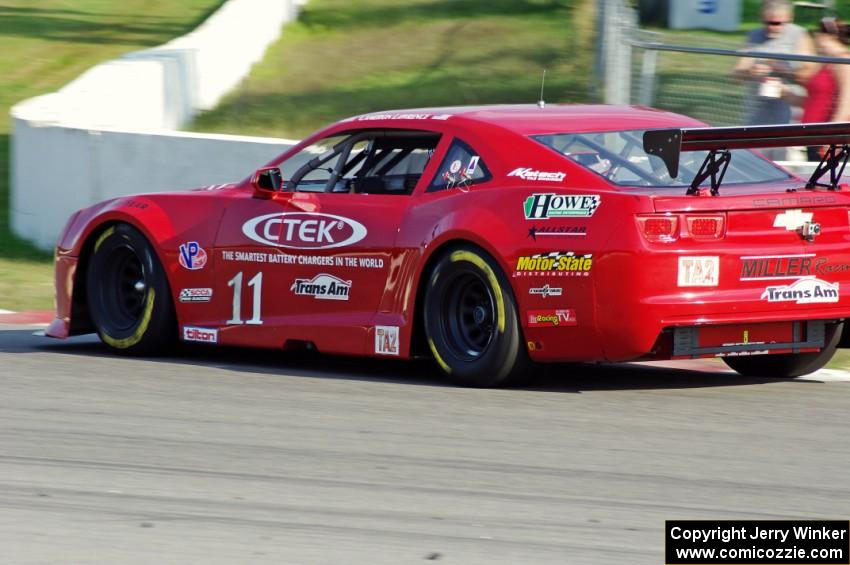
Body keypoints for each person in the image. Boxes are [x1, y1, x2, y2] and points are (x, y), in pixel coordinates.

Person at [732, 0, 815, 159]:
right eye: (767, 22)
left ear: (789, 18)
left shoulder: (799, 36)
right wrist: (751, 71)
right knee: (754, 163)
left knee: (787, 165)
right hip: (757, 116)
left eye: (777, 23)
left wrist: (783, 70)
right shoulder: (754, 35)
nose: (771, 27)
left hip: (789, 117)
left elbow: (810, 76)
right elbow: (736, 75)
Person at [798, 18, 850, 160]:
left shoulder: (843, 60)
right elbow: (815, 99)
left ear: (827, 36)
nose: (815, 39)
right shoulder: (827, 61)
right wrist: (784, 93)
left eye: (817, 34)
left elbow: (847, 102)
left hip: (828, 138)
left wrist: (833, 138)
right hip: (814, 135)